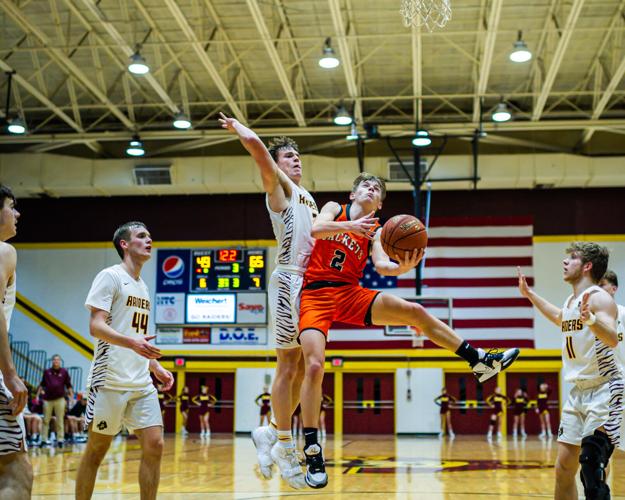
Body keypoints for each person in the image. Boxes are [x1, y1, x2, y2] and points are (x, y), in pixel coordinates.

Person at [298, 173, 521, 488]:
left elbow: (382, 265)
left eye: (377, 189)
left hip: (349, 293)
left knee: (415, 311)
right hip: (316, 294)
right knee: (315, 364)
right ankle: (312, 449)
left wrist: (401, 268)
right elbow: (316, 229)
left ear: (380, 204)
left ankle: (478, 359)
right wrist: (349, 226)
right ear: (352, 193)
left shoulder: (376, 230)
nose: (371, 189)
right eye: (366, 185)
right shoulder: (336, 208)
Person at [219, 113, 377, 488]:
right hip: (289, 278)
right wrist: (243, 131)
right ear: (277, 164)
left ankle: (272, 430)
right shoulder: (279, 190)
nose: (297, 160)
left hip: (310, 284)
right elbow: (259, 154)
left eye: (298, 156)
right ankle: (286, 445)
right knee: (291, 366)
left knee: (303, 369)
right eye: (289, 157)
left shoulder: (308, 197)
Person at [75, 221, 174, 500]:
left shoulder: (143, 286)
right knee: (96, 450)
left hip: (140, 383)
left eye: (150, 236)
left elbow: (138, 335)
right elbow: (96, 326)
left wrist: (154, 366)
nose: (149, 240)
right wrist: (133, 343)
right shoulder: (110, 276)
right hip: (109, 380)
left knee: (155, 445)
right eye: (141, 236)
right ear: (125, 244)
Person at [518, 242, 624, 499]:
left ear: (587, 266)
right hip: (578, 392)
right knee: (563, 469)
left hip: (606, 388)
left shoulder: (599, 297)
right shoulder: (571, 301)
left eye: (572, 258)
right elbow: (559, 317)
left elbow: (611, 338)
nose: (565, 262)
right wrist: (531, 295)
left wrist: (591, 320)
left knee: (591, 464)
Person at [0, 185, 32, 499]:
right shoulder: (3, 250)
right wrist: (9, 372)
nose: (17, 213)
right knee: (15, 469)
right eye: (11, 206)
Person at [38, 354, 73, 447]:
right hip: (47, 399)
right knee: (46, 420)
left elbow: (69, 385)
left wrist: (71, 397)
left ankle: (60, 439)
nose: (56, 361)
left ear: (60, 362)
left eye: (57, 360)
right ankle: (44, 439)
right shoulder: (47, 372)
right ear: (52, 361)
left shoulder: (64, 372)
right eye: (54, 360)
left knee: (60, 419)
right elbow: (42, 384)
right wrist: (37, 395)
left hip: (60, 399)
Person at [599, 269, 625, 367]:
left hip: (621, 376)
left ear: (613, 289)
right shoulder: (590, 317)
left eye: (601, 285)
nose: (597, 289)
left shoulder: (623, 313)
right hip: (598, 378)